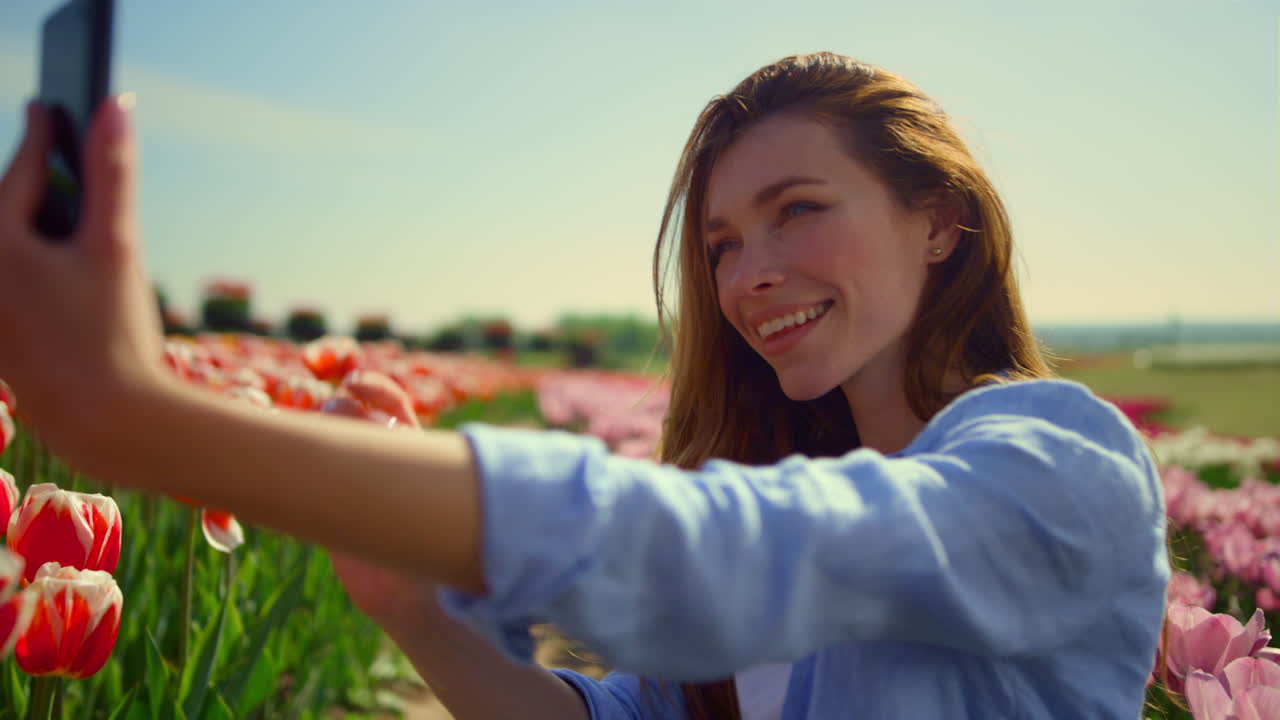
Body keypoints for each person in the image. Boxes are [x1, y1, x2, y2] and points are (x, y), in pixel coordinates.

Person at [0, 52, 1168, 718]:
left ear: (938, 222)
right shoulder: (791, 475)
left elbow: (729, 556)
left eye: (795, 212)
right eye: (717, 245)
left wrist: (142, 421)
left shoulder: (1058, 470)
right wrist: (409, 609)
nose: (749, 277)